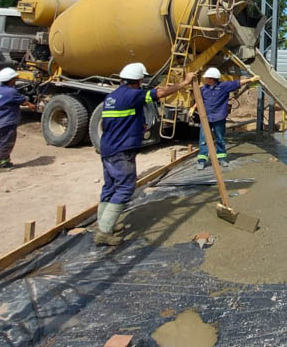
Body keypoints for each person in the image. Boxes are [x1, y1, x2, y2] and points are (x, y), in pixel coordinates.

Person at [96, 63, 194, 246]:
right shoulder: (134, 95)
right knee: (125, 188)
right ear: (139, 80)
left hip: (108, 148)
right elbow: (161, 94)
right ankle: (104, 232)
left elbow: (119, 120)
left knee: (109, 187)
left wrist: (139, 126)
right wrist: (184, 83)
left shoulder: (112, 96)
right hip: (121, 150)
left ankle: (103, 223)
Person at [197, 66, 259, 170]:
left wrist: (251, 79)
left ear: (212, 79)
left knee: (220, 138)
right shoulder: (204, 89)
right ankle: (202, 160)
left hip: (219, 117)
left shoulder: (223, 86)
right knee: (203, 140)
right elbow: (199, 100)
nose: (205, 79)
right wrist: (193, 108)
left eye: (207, 78)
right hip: (205, 118)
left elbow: (237, 83)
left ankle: (221, 158)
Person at [0, 67, 34, 173]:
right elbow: (23, 100)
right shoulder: (11, 92)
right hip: (7, 122)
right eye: (14, 78)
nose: (15, 80)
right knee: (7, 143)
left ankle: (4, 162)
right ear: (11, 80)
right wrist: (31, 104)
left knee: (1, 142)